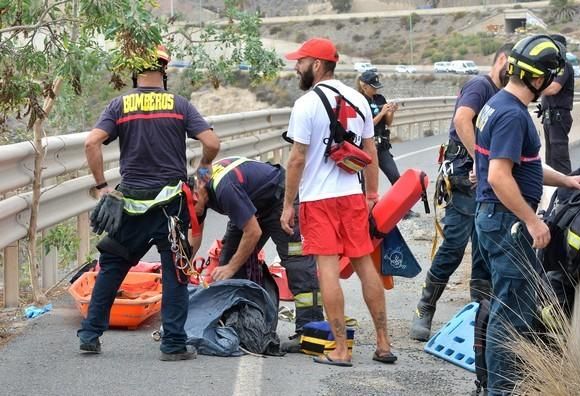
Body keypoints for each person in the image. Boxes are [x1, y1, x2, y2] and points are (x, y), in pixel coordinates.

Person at [79, 45, 220, 361]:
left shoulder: (120, 105)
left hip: (131, 203)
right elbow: (211, 142)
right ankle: (172, 345)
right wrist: (203, 170)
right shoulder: (180, 105)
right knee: (175, 273)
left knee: (113, 266)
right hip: (172, 206)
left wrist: (103, 187)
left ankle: (90, 335)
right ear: (164, 71)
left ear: (134, 71)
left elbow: (91, 142)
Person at [473, 35, 580, 394]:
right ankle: (499, 390)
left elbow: (524, 166)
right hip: (506, 222)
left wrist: (567, 181)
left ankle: (491, 385)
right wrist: (532, 219)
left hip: (494, 218)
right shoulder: (512, 115)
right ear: (539, 78)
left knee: (505, 306)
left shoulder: (498, 104)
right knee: (511, 316)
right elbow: (498, 176)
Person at [281, 37, 396, 366]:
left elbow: (296, 159)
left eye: (300, 62)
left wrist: (289, 204)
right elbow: (371, 152)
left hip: (318, 200)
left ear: (317, 65)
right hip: (352, 196)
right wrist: (372, 194)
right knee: (365, 265)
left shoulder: (306, 104)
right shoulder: (359, 98)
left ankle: (342, 350)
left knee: (327, 271)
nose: (296, 67)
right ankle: (384, 344)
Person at [409, 43, 514, 341]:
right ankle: (424, 308)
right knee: (455, 243)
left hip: (484, 178)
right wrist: (482, 162)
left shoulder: (503, 95)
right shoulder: (479, 86)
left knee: (482, 246)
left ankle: (477, 317)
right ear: (503, 60)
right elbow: (461, 120)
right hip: (464, 175)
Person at [190, 156, 324, 352]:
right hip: (251, 204)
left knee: (298, 264)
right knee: (228, 261)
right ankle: (237, 323)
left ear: (199, 193)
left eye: (193, 207)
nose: (194, 212)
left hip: (279, 201)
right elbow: (196, 232)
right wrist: (184, 265)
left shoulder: (225, 189)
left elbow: (253, 232)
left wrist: (231, 267)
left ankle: (310, 330)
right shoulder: (199, 181)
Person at [356, 70, 418, 219]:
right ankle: (366, 215)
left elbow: (388, 123)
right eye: (373, 86)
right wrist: (382, 113)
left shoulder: (379, 98)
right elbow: (366, 126)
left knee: (395, 176)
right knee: (365, 184)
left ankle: (404, 210)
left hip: (382, 146)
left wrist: (391, 112)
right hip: (366, 147)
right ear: (364, 86)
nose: (376, 90)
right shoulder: (358, 101)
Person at [540, 34, 575, 175]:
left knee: (559, 159)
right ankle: (555, 193)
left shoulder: (564, 66)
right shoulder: (551, 69)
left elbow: (554, 88)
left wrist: (532, 89)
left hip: (559, 117)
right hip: (549, 117)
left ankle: (567, 192)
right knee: (550, 160)